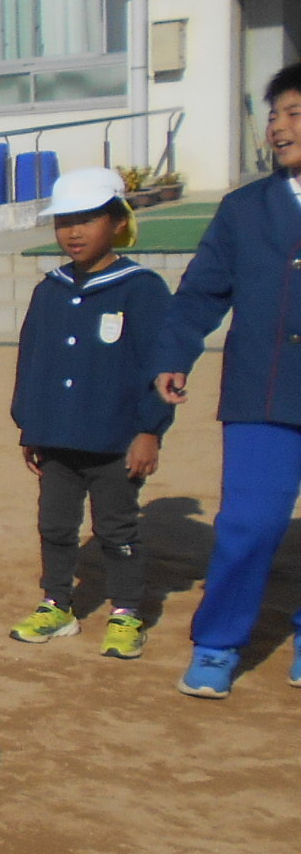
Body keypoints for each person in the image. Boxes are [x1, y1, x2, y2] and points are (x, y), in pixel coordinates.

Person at [155, 63, 301, 698]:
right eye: (273, 115)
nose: (279, 127)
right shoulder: (245, 209)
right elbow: (199, 294)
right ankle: (217, 644)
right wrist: (174, 354)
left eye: (294, 113)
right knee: (249, 522)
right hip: (261, 394)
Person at [8, 167, 172, 659]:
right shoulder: (50, 288)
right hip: (56, 435)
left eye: (87, 219)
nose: (73, 232)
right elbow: (32, 360)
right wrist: (29, 425)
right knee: (55, 526)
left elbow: (162, 366)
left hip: (116, 439)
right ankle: (56, 603)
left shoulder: (142, 289)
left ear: (118, 222)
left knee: (116, 529)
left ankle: (126, 612)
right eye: (64, 222)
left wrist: (149, 430)